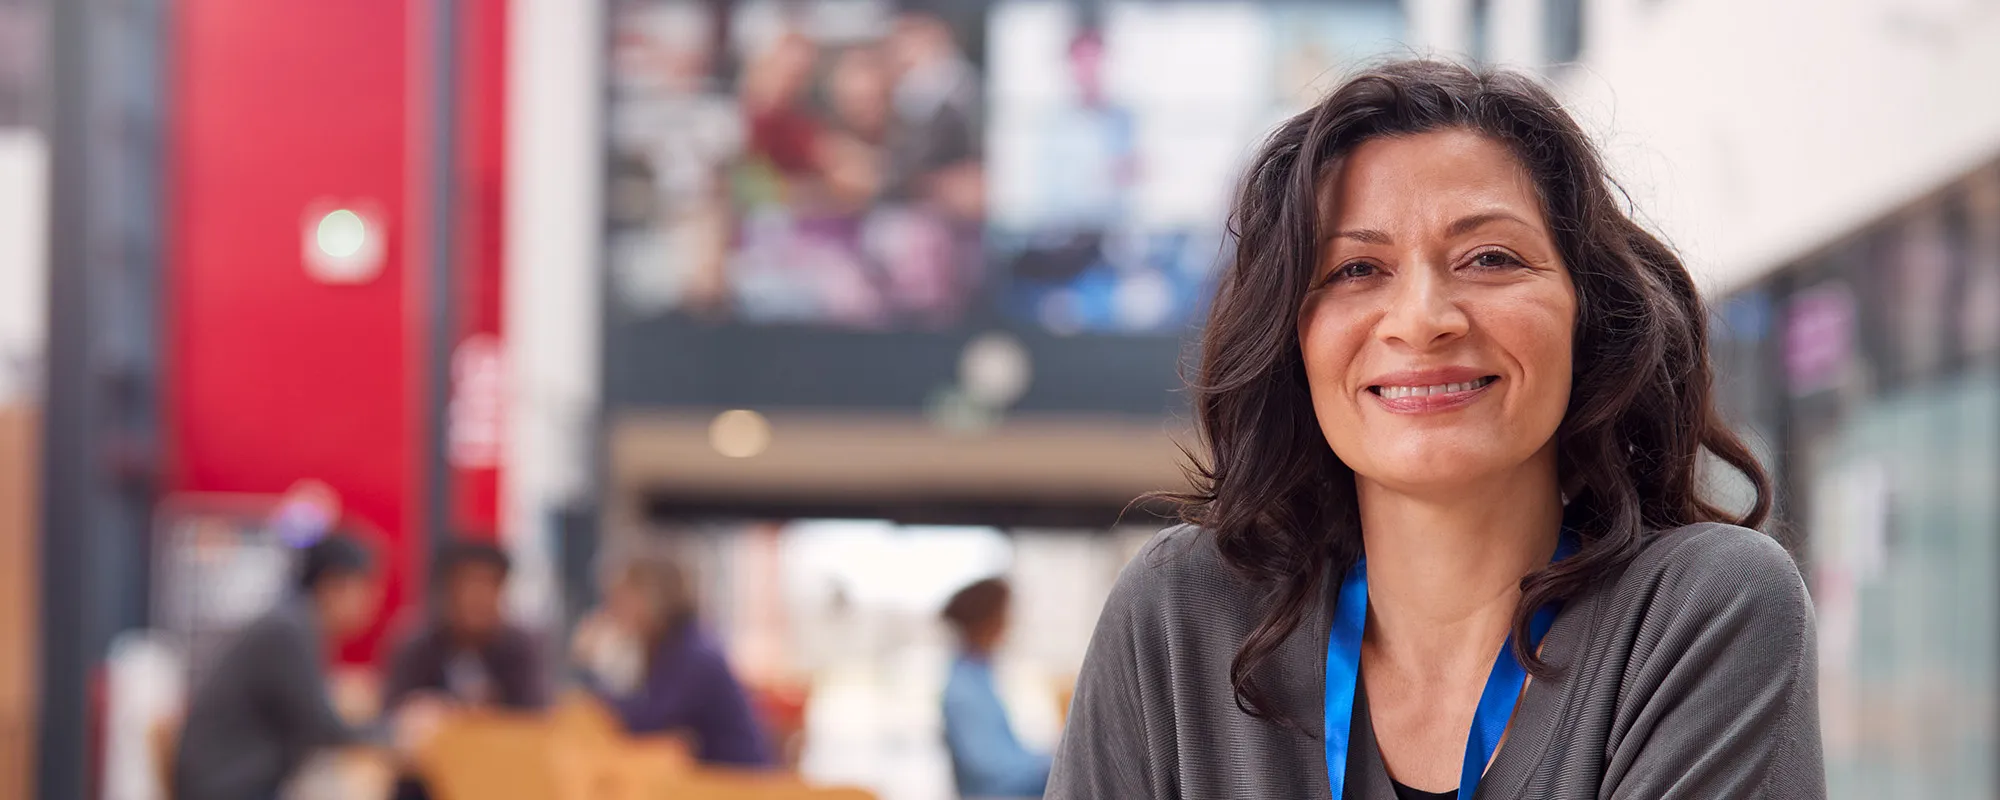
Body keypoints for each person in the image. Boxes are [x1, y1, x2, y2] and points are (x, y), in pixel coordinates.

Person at [1049, 60, 1825, 799]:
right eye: (1356, 270)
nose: (1422, 321)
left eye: (1490, 258)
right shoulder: (1185, 612)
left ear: (1591, 317)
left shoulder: (1700, 608)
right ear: (1294, 337)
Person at [173, 532, 439, 800]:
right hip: (231, 787)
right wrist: (395, 734)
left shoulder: (295, 621)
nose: (373, 603)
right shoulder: (291, 629)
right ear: (333, 585)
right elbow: (322, 728)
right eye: (367, 589)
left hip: (235, 780)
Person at [571, 545, 771, 766]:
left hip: (739, 786)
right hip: (713, 780)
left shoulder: (695, 654)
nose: (612, 609)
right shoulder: (673, 646)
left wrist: (590, 665)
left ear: (651, 598)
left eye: (621, 597)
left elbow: (648, 721)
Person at [384, 540, 548, 800]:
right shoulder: (415, 645)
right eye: (467, 584)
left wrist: (461, 717)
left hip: (503, 783)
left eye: (489, 585)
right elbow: (393, 717)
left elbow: (534, 719)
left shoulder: (521, 647)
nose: (477, 597)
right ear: (445, 590)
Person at [940, 577, 1052, 799]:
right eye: (1005, 613)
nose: (1011, 623)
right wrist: (1059, 763)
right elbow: (994, 771)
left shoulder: (980, 676)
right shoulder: (964, 690)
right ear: (987, 620)